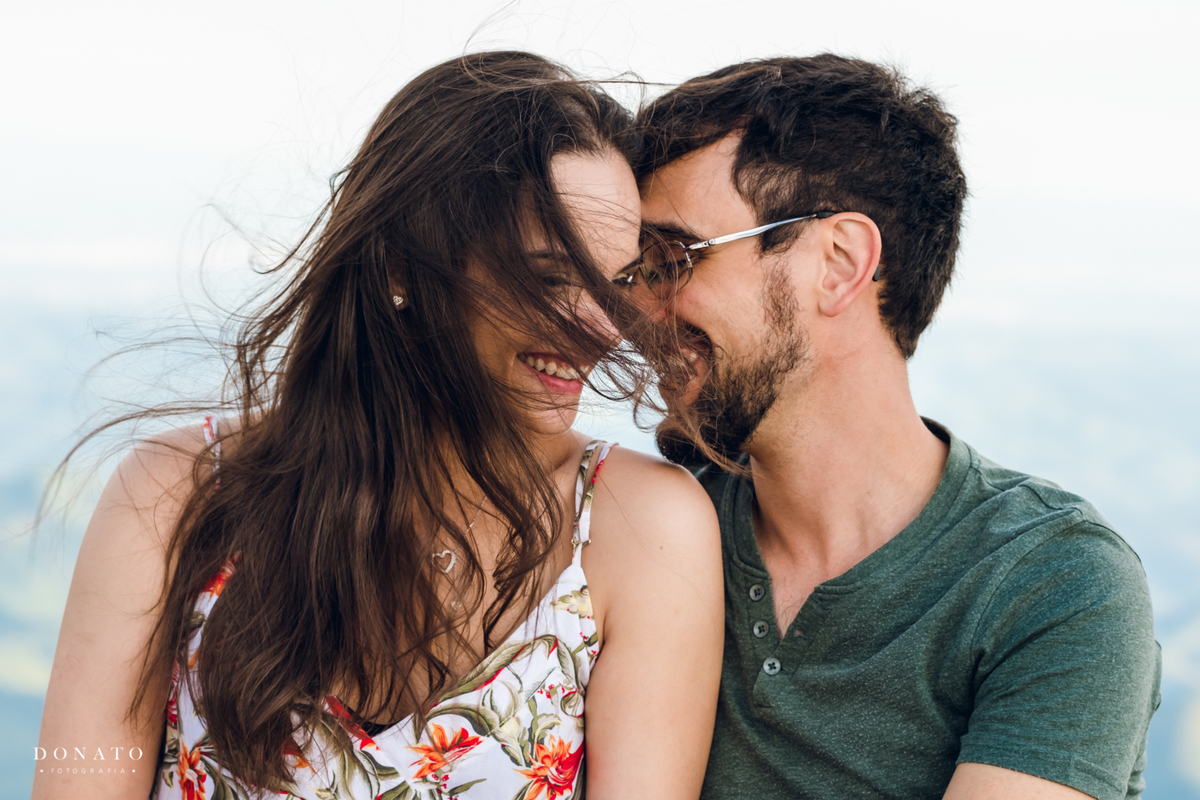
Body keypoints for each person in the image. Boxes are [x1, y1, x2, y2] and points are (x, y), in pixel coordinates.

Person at [33, 51, 723, 800]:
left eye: (616, 282)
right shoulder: (175, 495)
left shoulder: (641, 531)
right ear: (400, 264)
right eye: (550, 276)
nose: (600, 327)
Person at [630, 55, 1160, 799]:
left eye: (673, 258)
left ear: (840, 263)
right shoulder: (641, 532)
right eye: (634, 270)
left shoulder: (1051, 581)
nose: (635, 309)